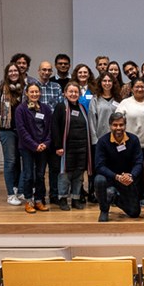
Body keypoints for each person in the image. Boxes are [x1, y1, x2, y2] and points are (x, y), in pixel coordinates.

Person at [94, 112, 143, 222]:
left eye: (121, 125)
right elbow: (99, 166)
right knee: (99, 179)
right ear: (110, 125)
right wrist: (116, 176)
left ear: (125, 125)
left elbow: (139, 162)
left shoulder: (134, 140)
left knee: (134, 213)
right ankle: (104, 210)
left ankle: (114, 197)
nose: (118, 128)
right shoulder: (102, 141)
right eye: (115, 125)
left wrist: (131, 175)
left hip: (127, 179)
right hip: (110, 178)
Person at [52, 82, 93, 211]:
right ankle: (63, 199)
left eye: (76, 92)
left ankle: (75, 199)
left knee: (79, 174)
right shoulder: (60, 107)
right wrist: (58, 146)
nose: (73, 94)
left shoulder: (82, 107)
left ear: (79, 94)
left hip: (81, 147)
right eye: (70, 91)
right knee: (65, 175)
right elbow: (55, 127)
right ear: (65, 93)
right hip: (66, 148)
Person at [16, 83, 53, 213]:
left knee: (40, 175)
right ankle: (28, 201)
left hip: (43, 148)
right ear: (26, 93)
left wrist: (45, 144)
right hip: (27, 147)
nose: (34, 94)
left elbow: (49, 129)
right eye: (31, 92)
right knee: (28, 175)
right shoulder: (21, 109)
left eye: (36, 92)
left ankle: (38, 200)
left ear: (40, 93)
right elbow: (21, 130)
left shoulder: (46, 109)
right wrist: (34, 145)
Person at [88, 71, 123, 203]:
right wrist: (95, 141)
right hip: (100, 141)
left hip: (117, 140)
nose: (107, 83)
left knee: (115, 167)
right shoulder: (95, 100)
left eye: (109, 81)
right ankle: (99, 195)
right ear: (100, 83)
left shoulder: (119, 100)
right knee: (101, 168)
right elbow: (92, 121)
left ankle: (114, 194)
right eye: (104, 81)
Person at [0, 62, 25, 205]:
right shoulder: (1, 90)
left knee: (25, 161)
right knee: (11, 161)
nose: (13, 73)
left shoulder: (24, 90)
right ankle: (10, 194)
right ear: (7, 74)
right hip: (7, 131)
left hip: (23, 131)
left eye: (16, 71)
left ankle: (19, 190)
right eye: (10, 71)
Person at [36, 61, 64, 205]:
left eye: (49, 70)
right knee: (40, 170)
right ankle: (39, 196)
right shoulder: (33, 88)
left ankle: (54, 195)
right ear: (38, 71)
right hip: (39, 135)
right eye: (44, 70)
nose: (46, 72)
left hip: (53, 134)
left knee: (54, 169)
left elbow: (59, 111)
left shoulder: (56, 87)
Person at [115, 78, 144, 153]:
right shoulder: (124, 103)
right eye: (137, 87)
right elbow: (117, 122)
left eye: (142, 87)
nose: (140, 89)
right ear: (131, 89)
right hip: (129, 145)